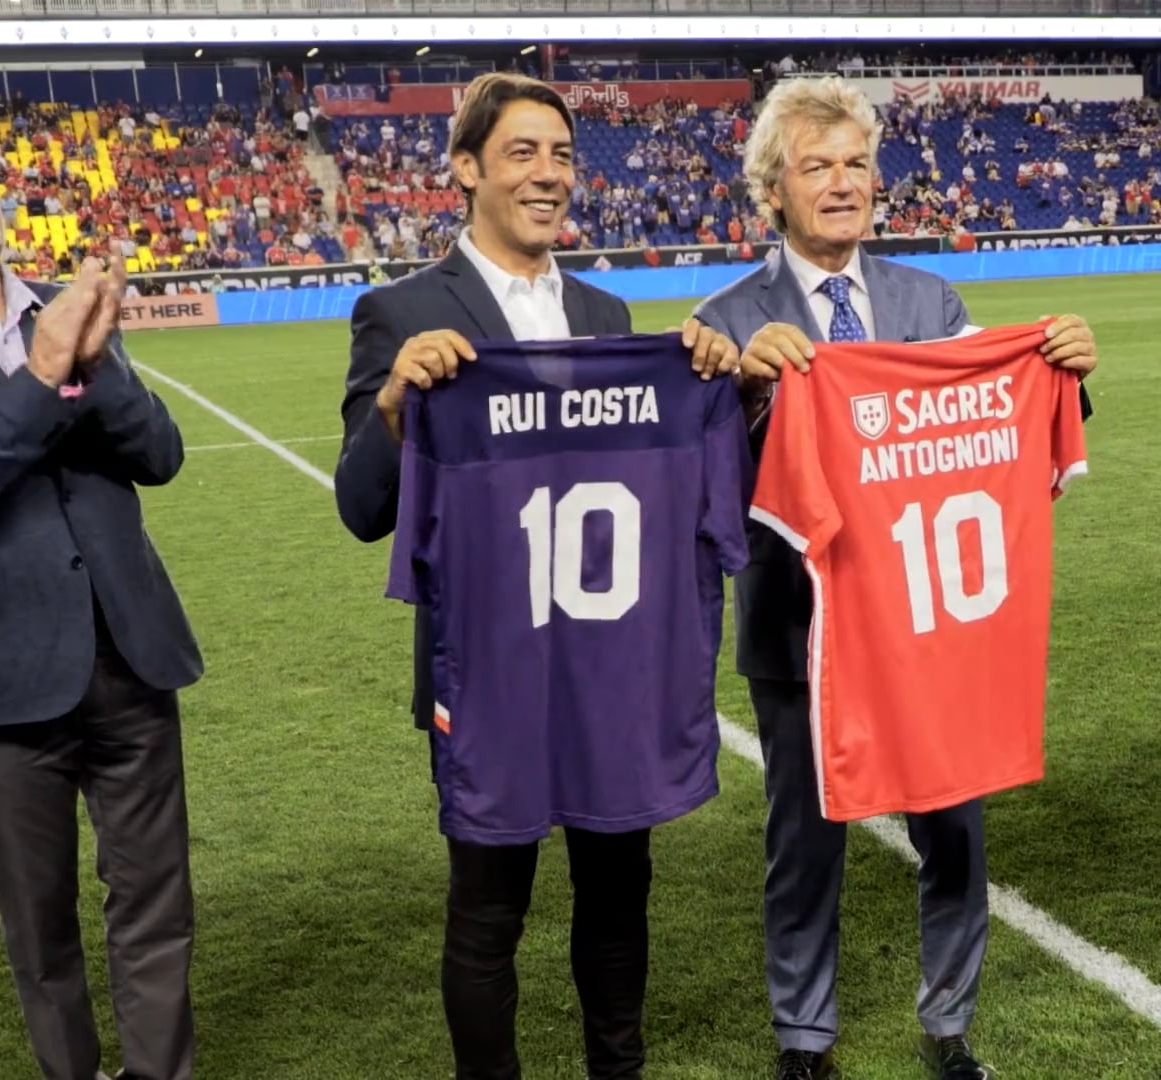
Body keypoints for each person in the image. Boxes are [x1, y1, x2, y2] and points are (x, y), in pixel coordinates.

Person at [332, 73, 738, 1080]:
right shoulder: (401, 310)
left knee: (616, 895)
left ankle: (618, 1070)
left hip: (608, 658)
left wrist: (713, 378)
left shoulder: (609, 313)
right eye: (522, 153)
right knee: (487, 911)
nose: (549, 174)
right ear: (465, 168)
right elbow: (361, 506)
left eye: (561, 154)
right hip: (488, 669)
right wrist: (393, 404)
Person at [691, 75, 1097, 1080]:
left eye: (856, 164)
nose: (841, 184)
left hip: (932, 627)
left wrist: (1065, 373)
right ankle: (804, 1038)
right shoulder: (726, 317)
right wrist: (744, 392)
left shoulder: (931, 301)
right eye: (814, 167)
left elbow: (998, 435)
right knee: (805, 845)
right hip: (800, 631)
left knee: (954, 832)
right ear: (772, 194)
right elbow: (698, 495)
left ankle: (951, 1023)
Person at [0, 115, 203, 1080]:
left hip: (128, 652)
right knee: (41, 927)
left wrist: (92, 365)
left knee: (157, 904)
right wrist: (44, 379)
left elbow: (159, 455)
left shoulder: (54, 303)